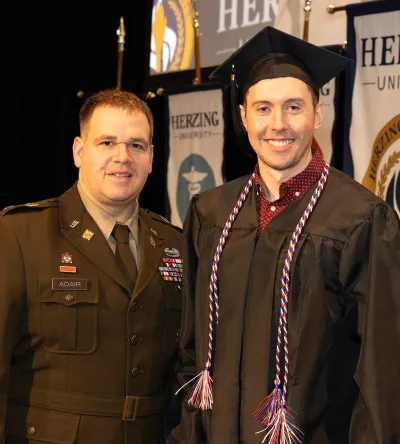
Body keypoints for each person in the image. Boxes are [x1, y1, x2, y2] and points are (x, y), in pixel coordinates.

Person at [167, 26, 400, 444]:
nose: (278, 124)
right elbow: (192, 351)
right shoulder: (211, 214)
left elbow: (383, 371)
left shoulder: (361, 221)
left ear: (318, 113)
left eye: (293, 107)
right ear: (243, 116)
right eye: (263, 108)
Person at [0, 89, 184, 443]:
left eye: (136, 145)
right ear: (79, 151)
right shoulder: (20, 233)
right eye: (107, 143)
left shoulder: (174, 243)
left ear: (151, 157)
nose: (122, 157)